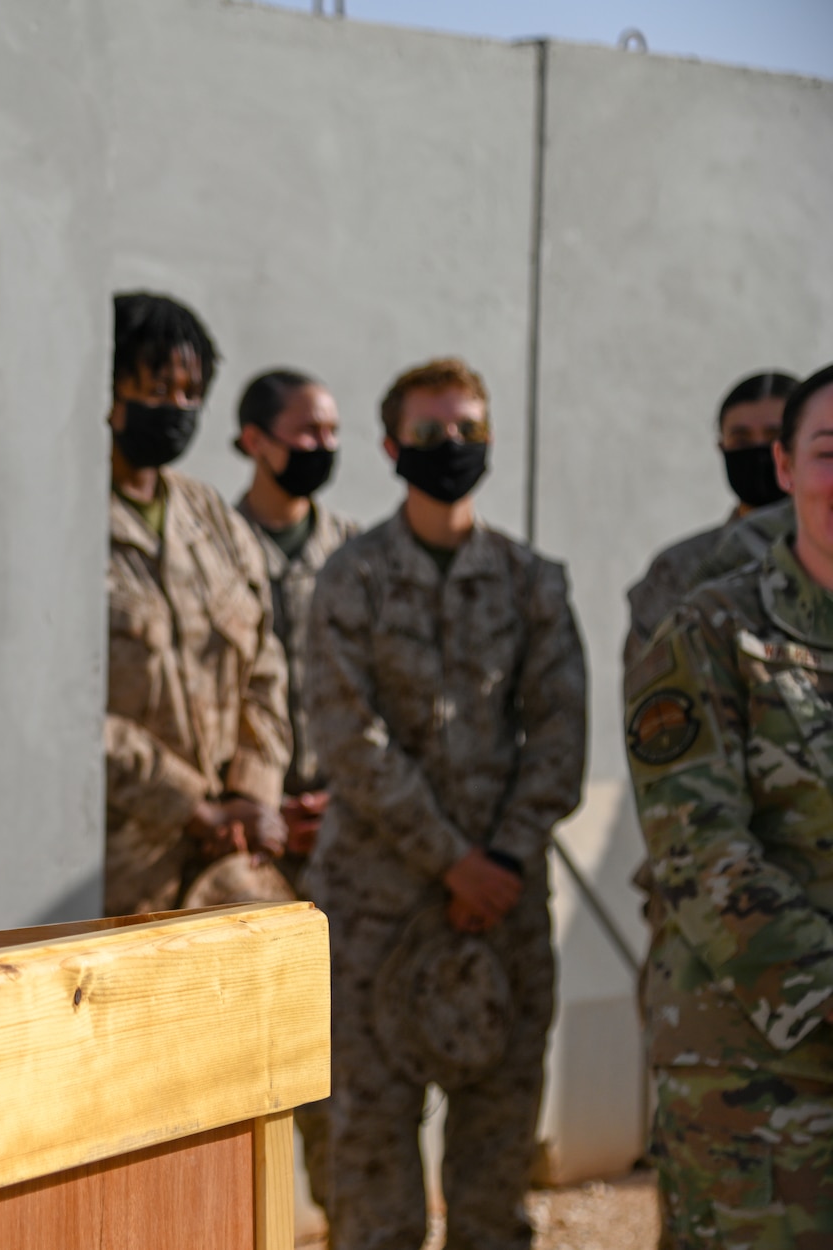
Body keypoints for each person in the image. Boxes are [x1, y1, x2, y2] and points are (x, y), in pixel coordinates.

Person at [306, 357, 585, 1250]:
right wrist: (449, 859)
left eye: (468, 428)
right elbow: (348, 739)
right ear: (391, 447)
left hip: (500, 919)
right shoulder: (350, 578)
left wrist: (498, 862)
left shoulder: (533, 583)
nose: (452, 446)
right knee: (374, 1188)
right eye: (431, 432)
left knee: (492, 1188)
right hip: (375, 913)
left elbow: (559, 737)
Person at [625, 361, 833, 1249]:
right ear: (785, 470)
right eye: (830, 451)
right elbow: (702, 854)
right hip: (759, 1077)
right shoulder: (711, 630)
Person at [102, 292, 291, 917]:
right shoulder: (66, 521)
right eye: (158, 389)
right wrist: (189, 806)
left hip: (226, 866)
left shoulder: (209, 516)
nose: (178, 408)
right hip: (117, 873)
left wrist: (251, 795)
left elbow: (264, 665)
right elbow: (67, 713)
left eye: (191, 393)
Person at [231, 367, 360, 1215]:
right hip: (245, 840)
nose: (322, 448)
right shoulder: (222, 540)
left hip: (346, 831)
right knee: (254, 1061)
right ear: (255, 439)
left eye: (331, 432)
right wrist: (261, 804)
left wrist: (341, 803)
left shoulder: (354, 550)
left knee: (344, 1063)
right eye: (306, 431)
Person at [624, 371, 798, 672]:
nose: (760, 451)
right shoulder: (678, 569)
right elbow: (649, 687)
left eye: (774, 436)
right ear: (722, 448)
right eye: (741, 438)